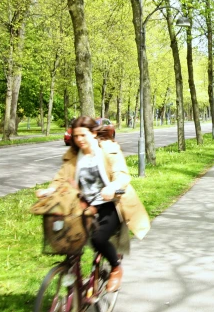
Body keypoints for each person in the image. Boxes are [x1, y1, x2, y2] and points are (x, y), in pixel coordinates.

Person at [36, 116, 150, 292]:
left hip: (109, 204)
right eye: (76, 136)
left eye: (83, 135)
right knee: (68, 241)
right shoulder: (74, 156)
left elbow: (122, 174)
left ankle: (115, 268)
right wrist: (49, 191)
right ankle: (73, 294)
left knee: (98, 239)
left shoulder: (108, 150)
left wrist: (113, 187)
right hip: (82, 207)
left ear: (93, 133)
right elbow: (61, 179)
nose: (79, 140)